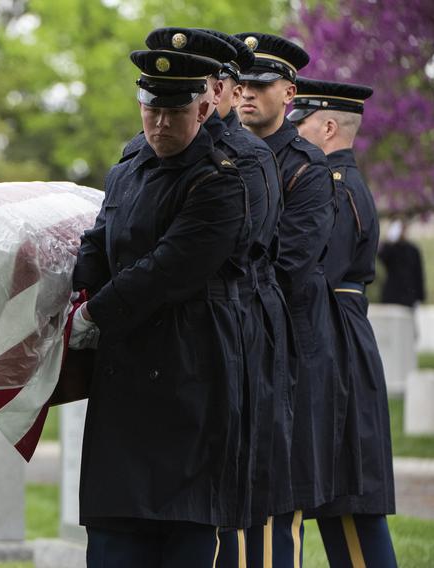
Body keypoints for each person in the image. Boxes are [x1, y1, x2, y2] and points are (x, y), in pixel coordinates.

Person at [70, 46, 249, 566]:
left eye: (174, 110)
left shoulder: (220, 180)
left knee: (184, 532)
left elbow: (169, 268)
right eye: (152, 108)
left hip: (190, 369)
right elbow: (98, 239)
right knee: (113, 535)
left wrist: (95, 314)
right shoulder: (127, 170)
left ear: (202, 109)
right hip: (124, 376)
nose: (160, 121)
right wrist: (80, 291)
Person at [129, 33, 293, 558]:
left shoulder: (245, 158)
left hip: (222, 331)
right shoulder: (141, 150)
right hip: (148, 334)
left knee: (222, 498)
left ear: (215, 87)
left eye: (212, 81)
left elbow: (235, 255)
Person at [235, 31, 355, 567]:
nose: (245, 94)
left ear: (289, 93)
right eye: (239, 83)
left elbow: (287, 266)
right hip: (224, 350)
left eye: (260, 84)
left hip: (280, 355)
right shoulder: (217, 155)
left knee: (273, 510)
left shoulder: (307, 168)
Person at [290, 78, 398, 567]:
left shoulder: (334, 188)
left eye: (301, 122)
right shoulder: (340, 183)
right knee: (339, 495)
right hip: (336, 337)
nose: (293, 134)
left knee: (349, 500)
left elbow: (316, 274)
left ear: (329, 126)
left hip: (336, 346)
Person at [379, 218, 426, 308]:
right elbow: (382, 257)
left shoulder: (413, 249)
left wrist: (420, 297)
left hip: (409, 295)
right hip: (392, 295)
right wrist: (390, 239)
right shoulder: (391, 248)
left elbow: (419, 273)